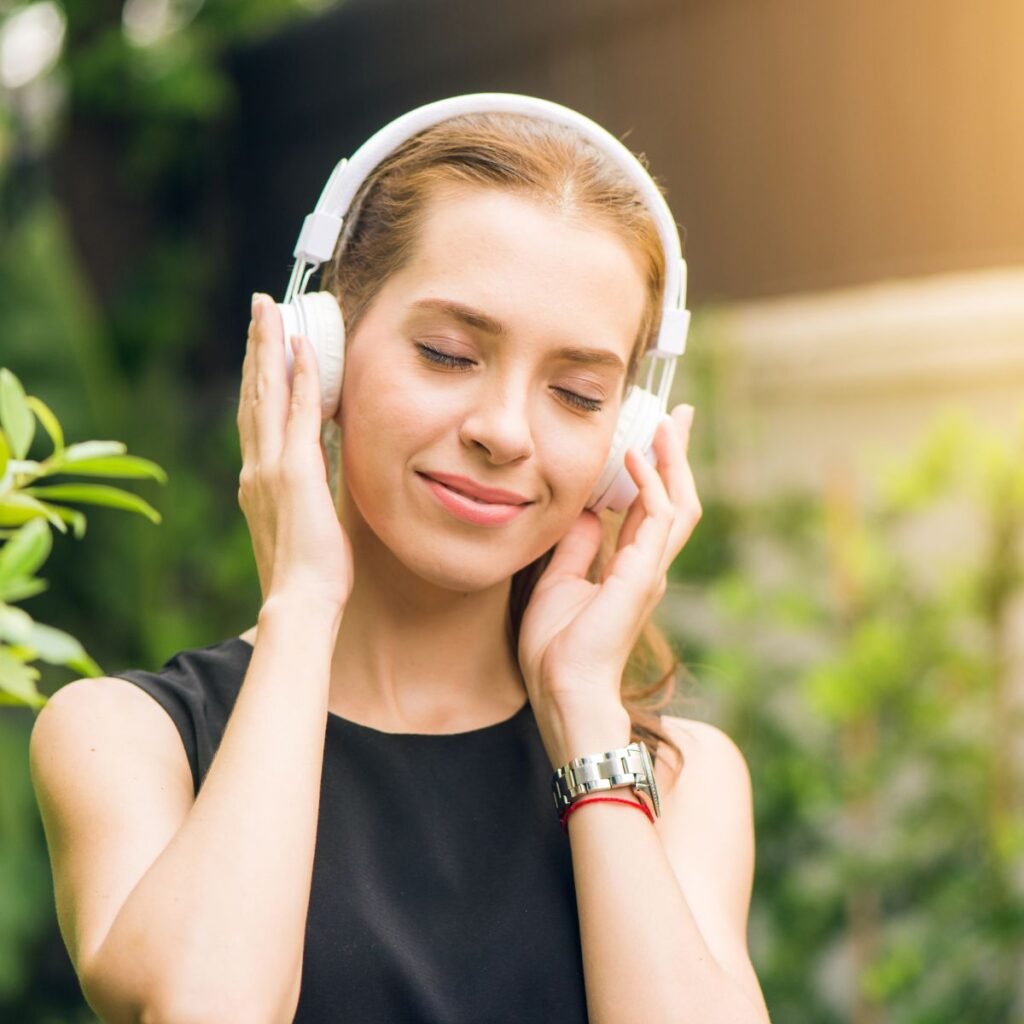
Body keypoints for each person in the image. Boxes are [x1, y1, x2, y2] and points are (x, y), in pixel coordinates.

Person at [29, 95, 771, 1023]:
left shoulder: (678, 779)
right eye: (448, 353)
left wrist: (584, 717)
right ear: (320, 353)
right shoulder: (128, 739)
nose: (504, 432)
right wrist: (300, 604)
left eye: (578, 394)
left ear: (628, 440)